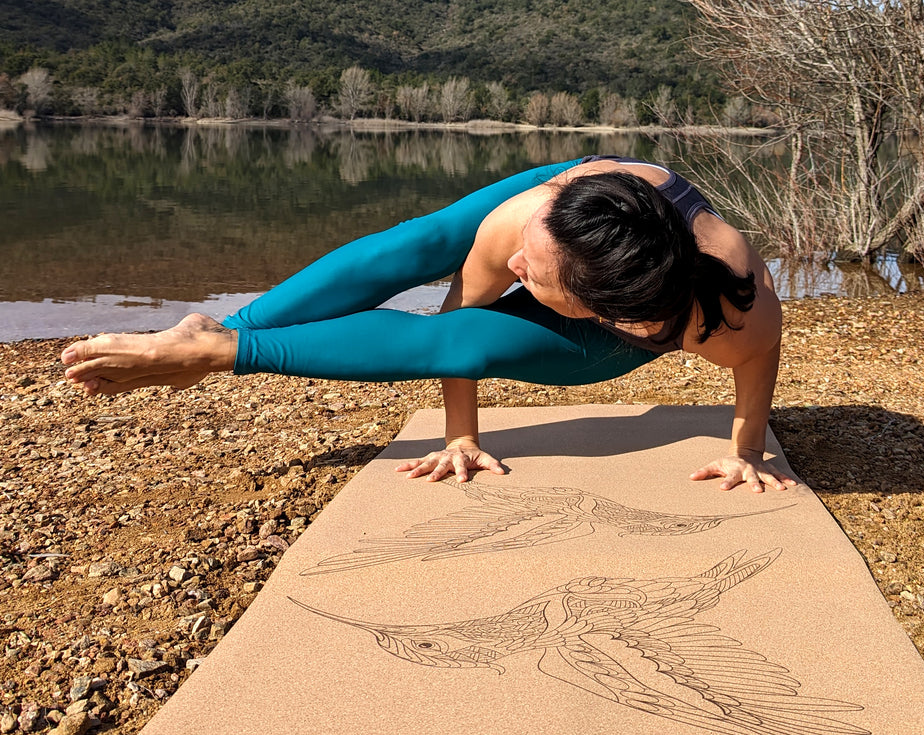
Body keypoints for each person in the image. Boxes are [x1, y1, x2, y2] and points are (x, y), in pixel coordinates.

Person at [61, 156, 791, 494]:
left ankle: (223, 350)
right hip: (605, 208)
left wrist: (746, 452)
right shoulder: (526, 223)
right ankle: (212, 336)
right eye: (524, 255)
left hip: (629, 293)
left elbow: (759, 360)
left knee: (488, 341)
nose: (512, 265)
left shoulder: (724, 313)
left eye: (530, 276)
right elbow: (455, 314)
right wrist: (460, 435)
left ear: (598, 306)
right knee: (421, 242)